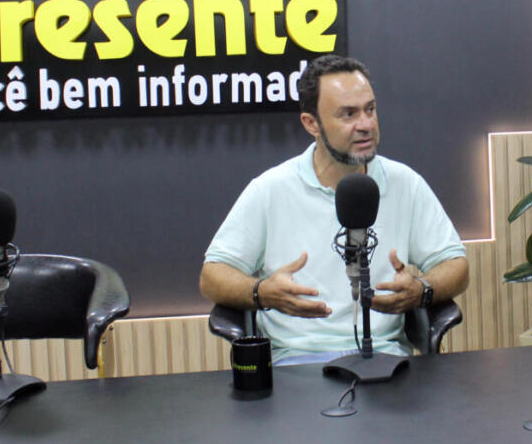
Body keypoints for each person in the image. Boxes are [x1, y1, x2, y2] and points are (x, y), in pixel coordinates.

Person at [199, 55, 469, 364]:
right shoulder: (270, 189)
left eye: (370, 109)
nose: (366, 125)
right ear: (311, 123)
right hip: (297, 360)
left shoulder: (405, 183)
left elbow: (456, 266)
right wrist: (262, 293)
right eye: (348, 114)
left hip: (385, 357)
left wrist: (422, 290)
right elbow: (213, 276)